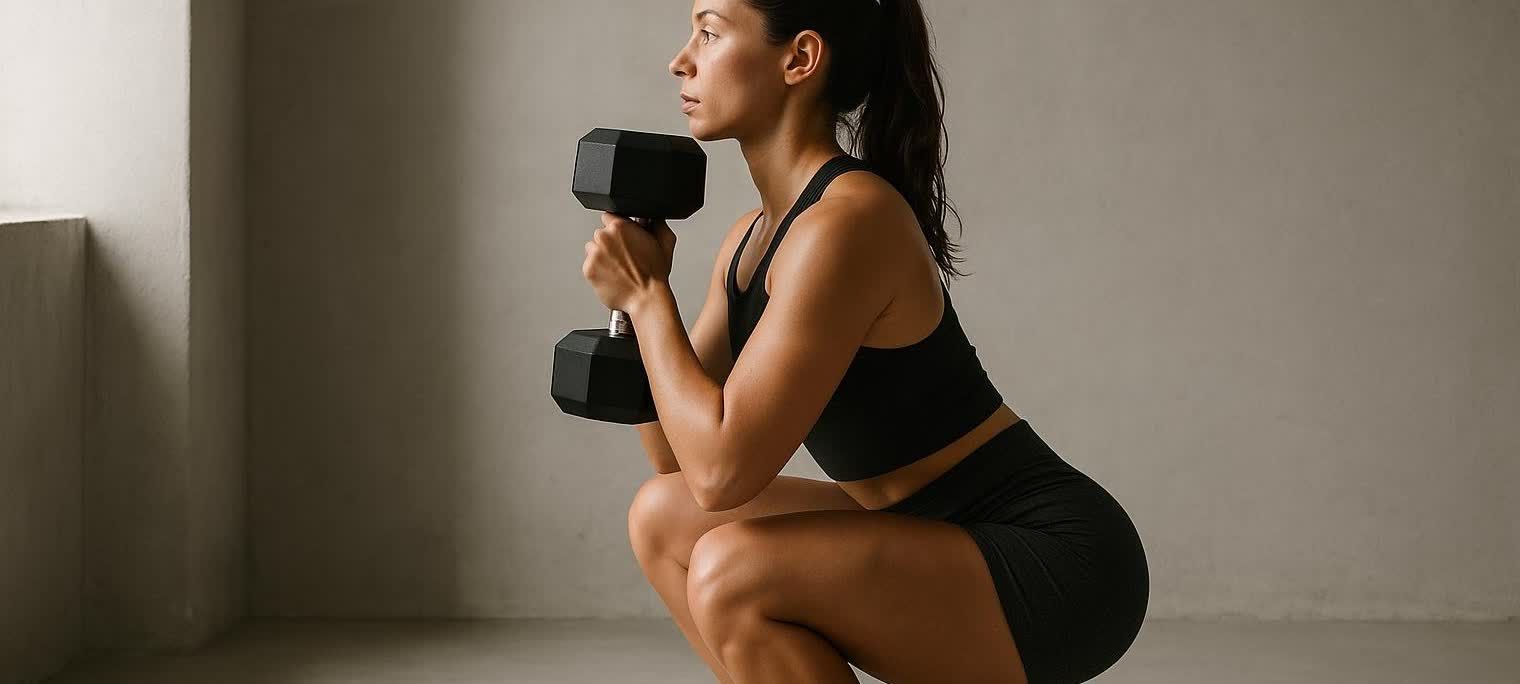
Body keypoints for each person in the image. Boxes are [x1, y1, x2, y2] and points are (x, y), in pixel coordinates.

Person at [580, 1, 1148, 682]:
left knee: (733, 572)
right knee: (660, 520)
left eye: (709, 30)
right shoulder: (751, 239)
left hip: (1053, 561)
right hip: (921, 525)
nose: (681, 59)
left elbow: (723, 471)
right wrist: (639, 299)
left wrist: (647, 301)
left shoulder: (848, 224)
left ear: (800, 58)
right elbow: (678, 461)